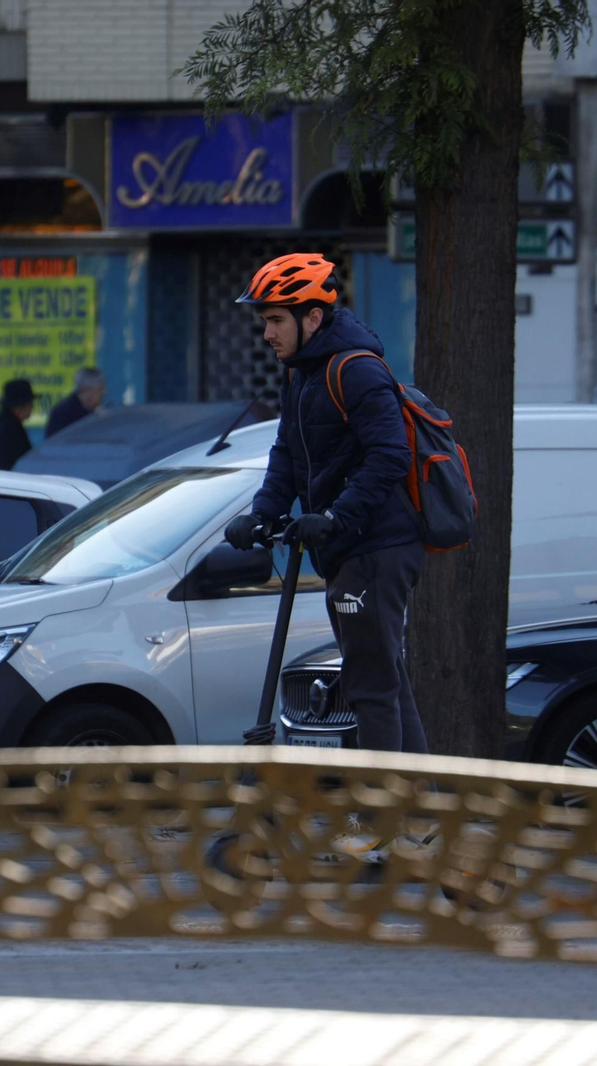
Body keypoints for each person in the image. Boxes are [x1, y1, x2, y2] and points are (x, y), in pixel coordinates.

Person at [222, 254, 426, 855]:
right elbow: (287, 452)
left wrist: (336, 516)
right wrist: (262, 513)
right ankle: (421, 811)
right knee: (385, 680)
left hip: (378, 546)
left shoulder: (356, 370)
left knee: (369, 685)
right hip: (347, 547)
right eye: (264, 321)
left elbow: (390, 456)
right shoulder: (303, 374)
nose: (267, 333)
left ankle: (383, 825)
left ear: (313, 315)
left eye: (276, 319)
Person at [0, 378, 36, 470]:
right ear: (19, 406)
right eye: (30, 403)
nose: (32, 407)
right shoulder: (8, 430)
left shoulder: (7, 424)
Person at [45, 366, 106, 438]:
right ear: (86, 391)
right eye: (100, 389)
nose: (104, 393)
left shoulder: (91, 410)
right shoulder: (64, 413)